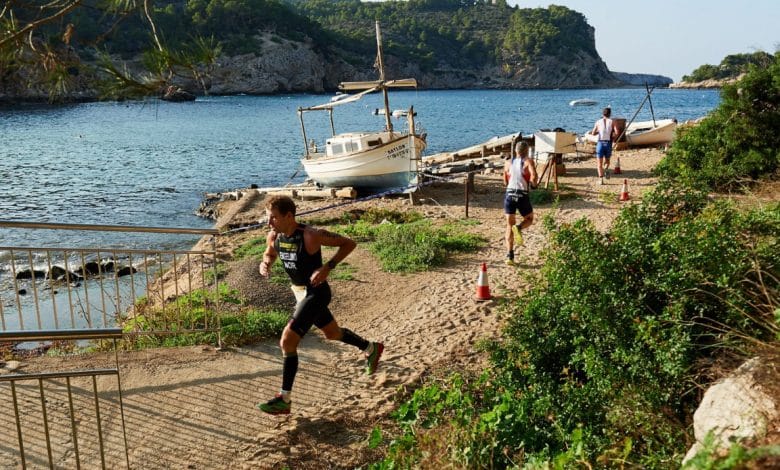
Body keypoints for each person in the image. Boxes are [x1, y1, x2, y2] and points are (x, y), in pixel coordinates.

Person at [257, 195, 383, 415]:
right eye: (268, 218)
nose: (270, 223)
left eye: (274, 218)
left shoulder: (310, 235)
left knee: (287, 340)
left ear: (289, 216)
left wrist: (328, 267)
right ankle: (371, 348)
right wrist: (266, 263)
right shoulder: (274, 235)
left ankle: (284, 399)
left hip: (316, 293)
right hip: (299, 293)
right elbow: (269, 254)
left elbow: (348, 243)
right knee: (332, 333)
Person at [503, 141, 538, 266]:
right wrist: (534, 185)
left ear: (516, 151)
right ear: (527, 151)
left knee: (508, 225)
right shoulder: (528, 161)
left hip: (509, 194)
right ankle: (519, 228)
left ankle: (510, 256)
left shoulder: (508, 162)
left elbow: (505, 181)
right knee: (529, 219)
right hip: (522, 194)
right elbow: (533, 176)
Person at [590, 106, 618, 185]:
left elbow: (593, 133)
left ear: (603, 113)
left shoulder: (598, 121)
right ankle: (606, 168)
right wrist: (613, 137)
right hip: (608, 143)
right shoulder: (612, 121)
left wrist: (598, 132)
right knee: (607, 161)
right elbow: (617, 132)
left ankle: (601, 180)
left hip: (600, 144)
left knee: (599, 164)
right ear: (610, 114)